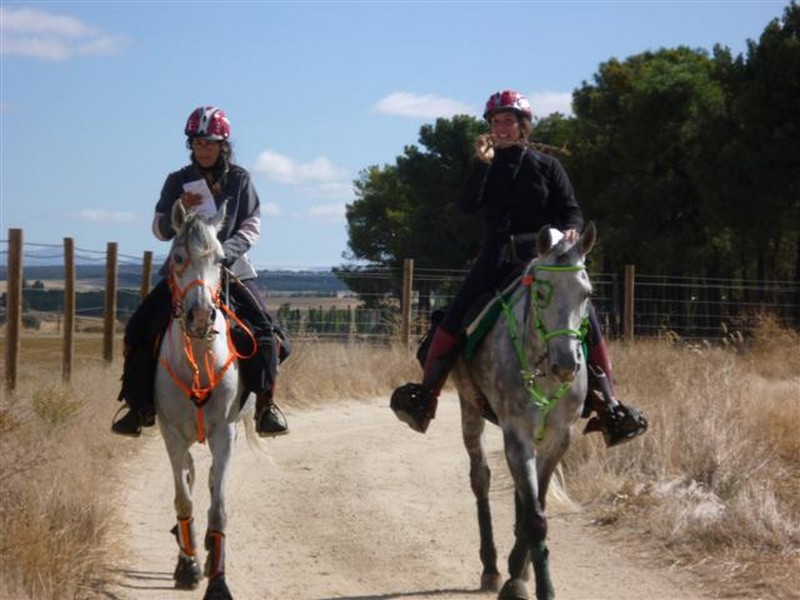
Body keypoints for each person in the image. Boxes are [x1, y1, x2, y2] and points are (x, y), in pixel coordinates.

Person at [390, 90, 647, 447]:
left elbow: (571, 209)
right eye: (496, 122)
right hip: (496, 256)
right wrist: (480, 165)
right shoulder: (485, 164)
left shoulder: (547, 166)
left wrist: (572, 229)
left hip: (545, 257)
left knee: (586, 315)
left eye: (508, 121)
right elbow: (466, 207)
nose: (501, 127)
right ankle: (426, 397)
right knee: (454, 316)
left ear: (523, 125)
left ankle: (609, 406)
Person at [111, 105, 289, 438]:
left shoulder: (240, 179)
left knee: (266, 331)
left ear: (223, 145)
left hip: (230, 268)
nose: (203, 148)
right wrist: (179, 208)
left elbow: (252, 225)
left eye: (209, 143)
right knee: (138, 329)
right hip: (184, 272)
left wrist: (222, 253)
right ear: (190, 145)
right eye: (197, 142)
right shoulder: (177, 180)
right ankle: (137, 408)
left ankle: (266, 407)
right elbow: (159, 229)